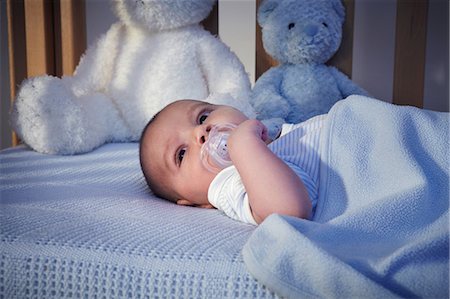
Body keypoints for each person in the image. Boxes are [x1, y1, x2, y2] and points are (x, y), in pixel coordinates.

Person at [139, 99, 326, 224]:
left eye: (202, 117)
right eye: (181, 154)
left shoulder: (273, 131)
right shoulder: (229, 184)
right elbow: (290, 211)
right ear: (192, 202)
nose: (200, 132)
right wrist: (244, 145)